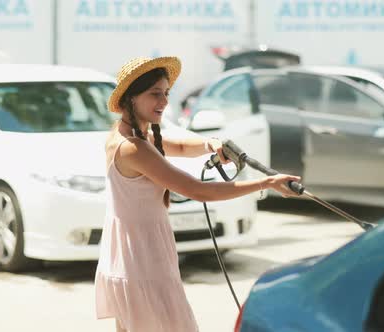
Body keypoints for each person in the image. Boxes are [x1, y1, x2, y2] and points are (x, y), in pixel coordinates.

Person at [94, 56, 301, 332]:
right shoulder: (132, 147)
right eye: (155, 94)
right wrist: (266, 183)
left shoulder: (135, 134)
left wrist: (209, 143)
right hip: (139, 257)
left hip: (137, 252)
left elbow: (177, 144)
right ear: (130, 99)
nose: (164, 101)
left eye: (166, 93)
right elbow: (198, 190)